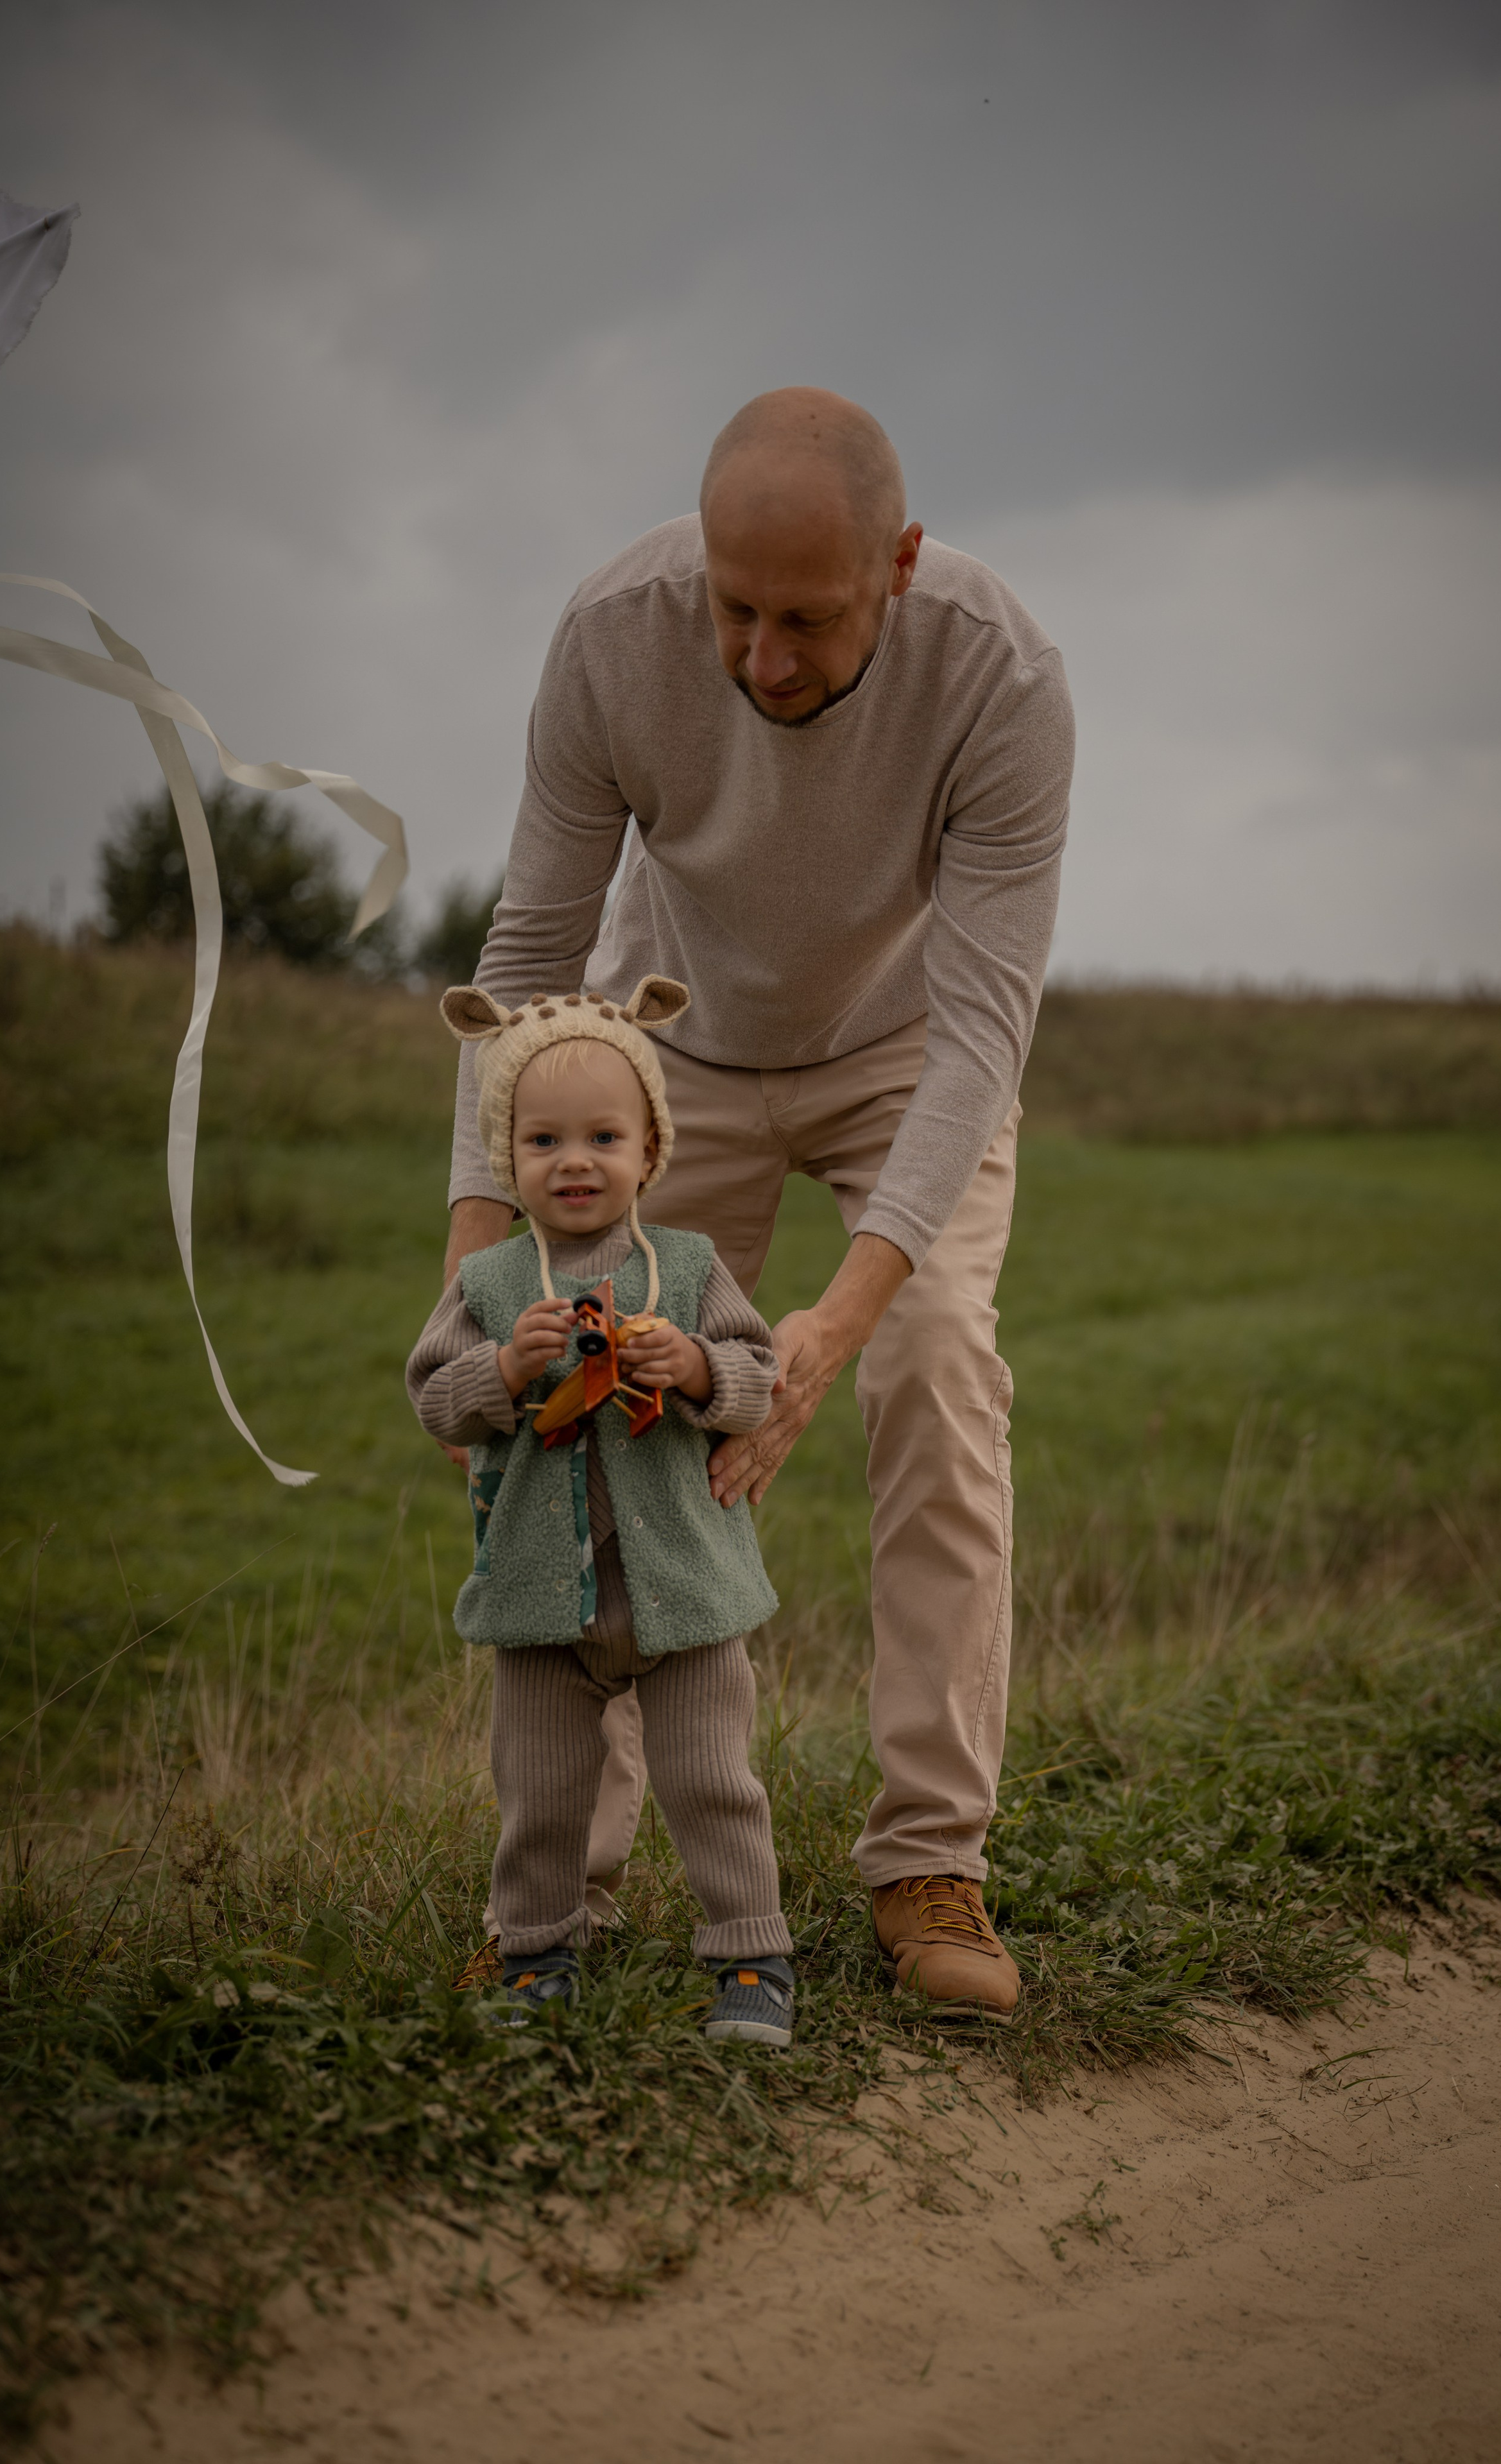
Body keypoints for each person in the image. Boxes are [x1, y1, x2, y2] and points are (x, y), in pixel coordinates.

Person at [442, 388, 1074, 2021]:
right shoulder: (611, 636)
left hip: (906, 1054)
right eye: (736, 610)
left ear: (902, 566)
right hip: (667, 1052)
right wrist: (473, 1276)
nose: (763, 659)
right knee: (607, 1405)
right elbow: (523, 971)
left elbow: (989, 1029)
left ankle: (931, 1860)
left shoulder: (1001, 676)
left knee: (932, 1363)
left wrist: (830, 1329)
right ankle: (555, 1901)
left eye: (808, 618)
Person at [407, 974, 796, 2048]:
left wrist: (702, 1368)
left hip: (686, 1591)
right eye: (543, 1142)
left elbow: (761, 1381)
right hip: (543, 1599)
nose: (574, 1162)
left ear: (648, 1152)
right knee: (540, 1789)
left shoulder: (688, 1267)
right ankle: (538, 1948)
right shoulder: (489, 1283)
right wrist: (500, 1366)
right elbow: (435, 1401)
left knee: (713, 1780)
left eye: (603, 1137)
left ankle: (751, 1954)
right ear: (509, 1157)